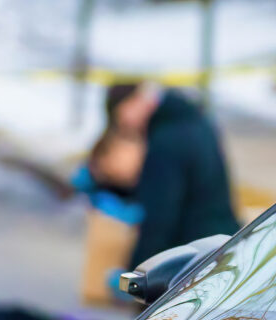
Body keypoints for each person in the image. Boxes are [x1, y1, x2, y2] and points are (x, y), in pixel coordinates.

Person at [99, 80, 238, 269]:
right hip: (218, 242)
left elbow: (159, 218)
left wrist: (136, 273)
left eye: (121, 116)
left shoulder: (165, 141)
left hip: (194, 253)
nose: (126, 125)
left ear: (135, 102)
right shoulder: (193, 121)